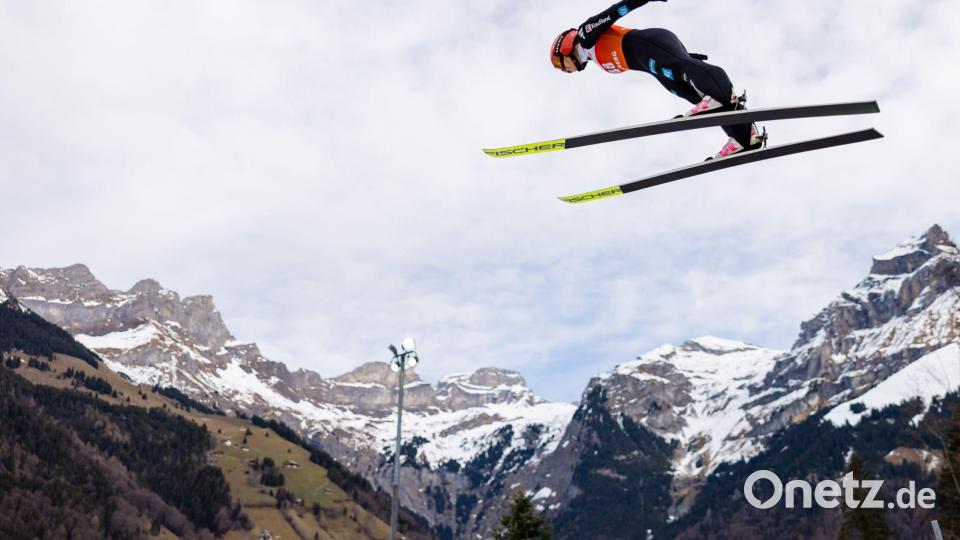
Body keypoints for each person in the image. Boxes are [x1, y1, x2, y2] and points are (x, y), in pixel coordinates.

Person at [550, 0, 765, 159]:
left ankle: (720, 92)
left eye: (560, 64)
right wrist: (688, 59)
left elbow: (614, 12)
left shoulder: (585, 35)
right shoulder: (592, 56)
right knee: (687, 93)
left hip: (649, 43)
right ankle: (744, 137)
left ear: (565, 47)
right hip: (649, 62)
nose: (565, 70)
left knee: (687, 75)